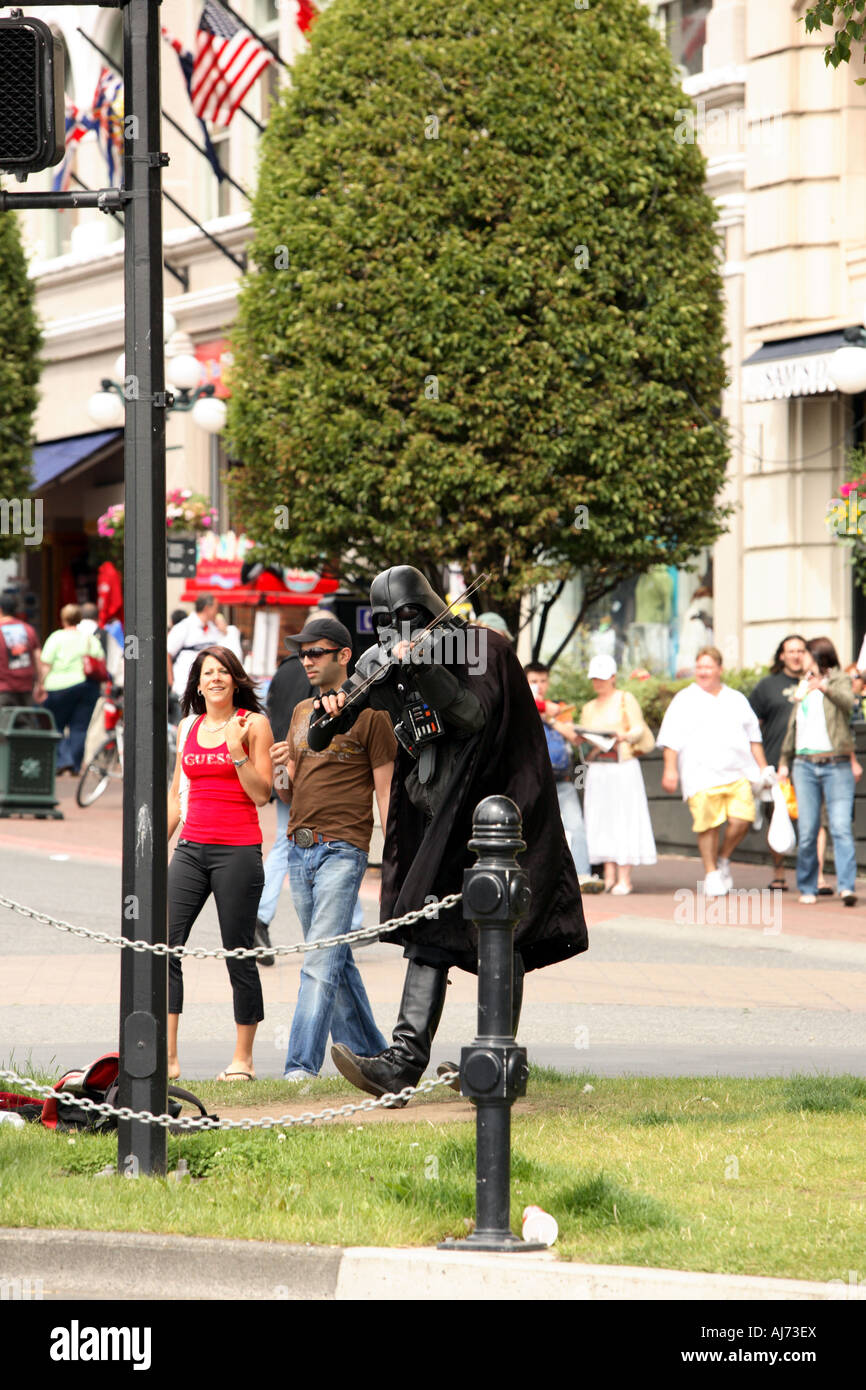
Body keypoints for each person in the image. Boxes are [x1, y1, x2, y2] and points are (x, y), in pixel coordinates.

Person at [310, 566, 587, 1104]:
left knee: (497, 932)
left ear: (432, 605)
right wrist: (331, 711)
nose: (401, 628)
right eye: (388, 621)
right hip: (435, 811)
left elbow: (472, 715)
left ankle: (495, 1058)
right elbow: (325, 732)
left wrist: (420, 669)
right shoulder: (377, 660)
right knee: (429, 928)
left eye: (410, 616)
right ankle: (402, 1063)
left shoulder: (480, 647)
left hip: (494, 810)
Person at [270, 616, 396, 1080]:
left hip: (343, 848)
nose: (305, 660)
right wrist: (280, 768)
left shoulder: (372, 714)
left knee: (319, 959)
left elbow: (386, 791)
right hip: (298, 847)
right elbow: (289, 791)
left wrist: (393, 857)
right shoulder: (303, 712)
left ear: (344, 656)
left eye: (315, 652)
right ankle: (377, 1056)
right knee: (334, 958)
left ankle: (299, 1068)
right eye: (302, 653)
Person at [166, 646, 274, 1080]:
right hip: (191, 848)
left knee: (238, 953)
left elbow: (262, 793)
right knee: (163, 948)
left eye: (223, 672)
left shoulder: (254, 725)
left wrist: (237, 753)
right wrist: (153, 850)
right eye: (207, 672)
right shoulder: (188, 726)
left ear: (235, 680)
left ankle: (243, 1059)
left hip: (238, 851)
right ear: (197, 683)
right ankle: (168, 1058)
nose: (215, 678)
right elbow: (177, 795)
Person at [657, 645, 769, 898]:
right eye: (699, 667)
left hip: (738, 772)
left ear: (719, 669)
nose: (703, 672)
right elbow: (670, 740)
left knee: (742, 820)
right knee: (708, 826)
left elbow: (754, 737)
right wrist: (670, 770)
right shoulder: (684, 699)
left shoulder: (736, 699)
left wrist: (763, 769)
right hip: (700, 774)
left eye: (708, 667)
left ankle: (723, 859)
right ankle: (711, 873)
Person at [777, 637, 858, 906]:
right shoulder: (803, 684)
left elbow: (849, 704)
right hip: (804, 764)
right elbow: (794, 726)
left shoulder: (837, 680)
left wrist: (823, 688)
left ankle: (846, 886)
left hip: (836, 763)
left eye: (807, 653)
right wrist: (784, 761)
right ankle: (808, 886)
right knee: (809, 829)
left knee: (840, 827)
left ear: (819, 656)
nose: (801, 658)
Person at [252, 637, 314, 967]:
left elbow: (271, 713)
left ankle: (352, 922)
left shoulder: (283, 670)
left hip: (279, 764)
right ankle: (259, 916)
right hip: (300, 769)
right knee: (288, 842)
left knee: (284, 839)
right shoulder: (315, 674)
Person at [578, 654, 656, 894]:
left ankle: (625, 877)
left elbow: (638, 728)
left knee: (625, 817)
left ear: (613, 678)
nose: (598, 682)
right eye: (595, 678)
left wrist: (623, 736)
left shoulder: (625, 699)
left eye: (602, 678)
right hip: (598, 768)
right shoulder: (589, 707)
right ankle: (608, 875)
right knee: (601, 819)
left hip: (622, 766)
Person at [525, 660, 602, 893]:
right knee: (530, 828)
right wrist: (542, 709)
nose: (539, 685)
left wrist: (550, 717)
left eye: (543, 680)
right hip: (532, 778)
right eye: (533, 681)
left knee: (575, 825)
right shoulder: (523, 704)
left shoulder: (560, 708)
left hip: (561, 778)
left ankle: (582, 874)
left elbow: (573, 736)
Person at [748, 634, 809, 890]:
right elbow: (751, 727)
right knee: (778, 819)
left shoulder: (816, 683)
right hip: (776, 766)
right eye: (790, 651)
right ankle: (779, 872)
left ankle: (813, 875)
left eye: (800, 650)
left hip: (809, 763)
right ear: (781, 655)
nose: (795, 655)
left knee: (811, 820)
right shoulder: (767, 686)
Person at [38, 604, 104, 775]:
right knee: (79, 728)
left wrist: (39, 685)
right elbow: (100, 658)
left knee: (54, 724)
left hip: (58, 686)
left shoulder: (56, 637)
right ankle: (74, 765)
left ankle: (63, 761)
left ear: (63, 619)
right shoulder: (89, 638)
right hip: (86, 686)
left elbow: (46, 664)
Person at [166, 594, 221, 719]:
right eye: (216, 608)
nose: (217, 613)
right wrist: (172, 682)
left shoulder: (213, 628)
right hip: (184, 688)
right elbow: (167, 652)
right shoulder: (184, 627)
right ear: (207, 608)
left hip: (206, 689)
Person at [0, 592, 42, 709]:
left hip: (3, 689)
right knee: (25, 725)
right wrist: (40, 684)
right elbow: (38, 658)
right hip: (25, 689)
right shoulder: (28, 629)